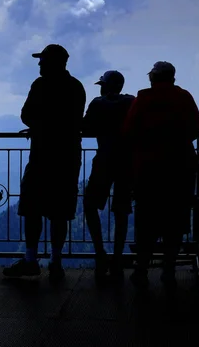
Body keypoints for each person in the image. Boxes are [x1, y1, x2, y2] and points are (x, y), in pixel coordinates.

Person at [3, 44, 86, 282]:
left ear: (52, 62)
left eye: (42, 61)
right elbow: (73, 119)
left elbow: (26, 114)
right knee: (60, 211)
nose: (39, 65)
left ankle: (30, 260)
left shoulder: (40, 86)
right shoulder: (76, 87)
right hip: (68, 156)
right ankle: (56, 261)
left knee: (32, 208)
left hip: (41, 155)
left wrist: (39, 126)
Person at [122, 61, 199, 289]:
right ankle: (169, 269)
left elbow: (128, 130)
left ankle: (141, 270)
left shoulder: (144, 99)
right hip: (179, 168)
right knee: (175, 221)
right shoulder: (183, 97)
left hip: (148, 170)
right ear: (172, 78)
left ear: (153, 78)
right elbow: (198, 126)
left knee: (146, 221)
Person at [82, 70, 135, 283]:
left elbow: (85, 128)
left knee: (90, 204)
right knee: (121, 211)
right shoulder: (132, 102)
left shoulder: (97, 103)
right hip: (127, 161)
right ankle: (118, 257)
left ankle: (100, 252)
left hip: (104, 159)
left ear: (106, 86)